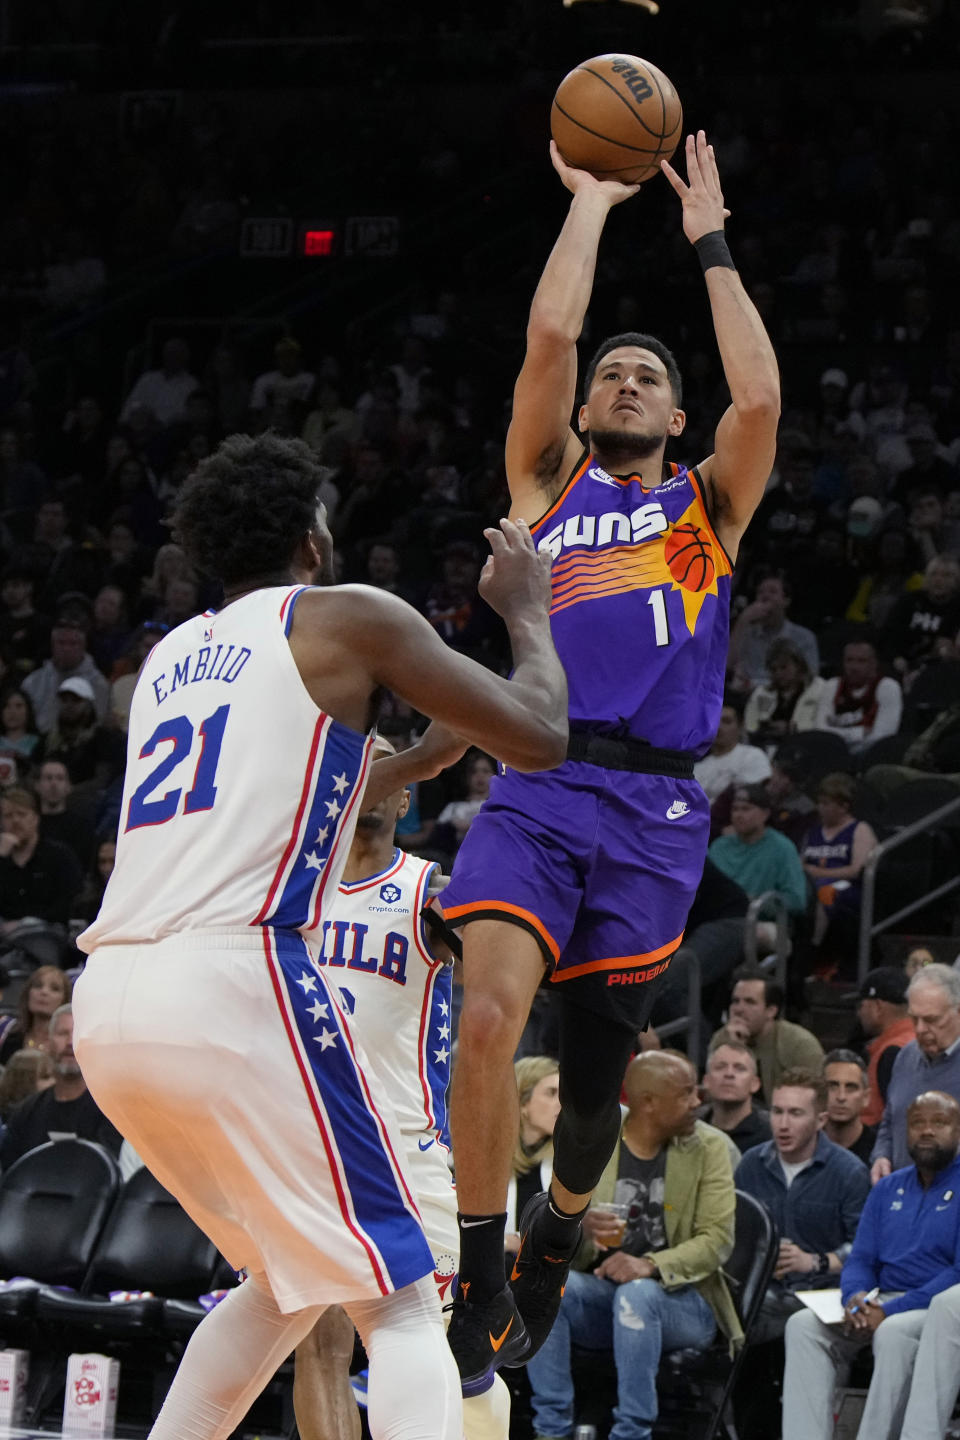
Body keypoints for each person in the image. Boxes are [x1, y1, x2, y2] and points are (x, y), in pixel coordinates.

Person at [71, 430, 568, 1440]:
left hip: (111, 1002)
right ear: (312, 541)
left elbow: (262, 797)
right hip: (231, 981)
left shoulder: (169, 658)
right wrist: (526, 609)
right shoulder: (344, 616)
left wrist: (400, 771)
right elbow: (540, 733)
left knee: (281, 1285)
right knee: (399, 1296)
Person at [435, 131, 780, 1391]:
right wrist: (587, 202)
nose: (625, 382)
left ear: (674, 417)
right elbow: (544, 340)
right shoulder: (546, 483)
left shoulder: (707, 509)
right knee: (486, 1018)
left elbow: (760, 402)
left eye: (647, 377)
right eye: (614, 372)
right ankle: (482, 1274)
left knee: (593, 1093)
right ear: (586, 408)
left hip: (655, 810)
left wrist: (708, 240)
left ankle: (548, 1237)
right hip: (536, 779)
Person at [293, 736, 511, 1440]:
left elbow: (507, 966)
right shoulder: (295, 890)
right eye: (354, 759)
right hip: (311, 1148)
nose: (368, 772)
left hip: (405, 1152)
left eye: (384, 759)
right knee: (318, 1345)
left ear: (406, 789)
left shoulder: (430, 890)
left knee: (450, 1353)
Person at [525, 1053, 740, 1440]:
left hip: (684, 1302)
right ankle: (551, 1429)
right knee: (547, 1285)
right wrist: (579, 1223)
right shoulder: (595, 1135)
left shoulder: (711, 1148)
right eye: (686, 1093)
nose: (698, 1101)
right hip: (604, 1292)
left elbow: (716, 1240)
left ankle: (631, 1432)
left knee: (638, 1295)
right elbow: (557, 1215)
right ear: (648, 1102)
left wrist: (650, 1264)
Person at [782, 1091, 960, 1440]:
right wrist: (856, 1297)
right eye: (917, 1123)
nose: (926, 1131)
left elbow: (957, 1274)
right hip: (881, 1299)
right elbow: (861, 1257)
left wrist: (891, 1310)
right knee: (802, 1325)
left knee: (893, 1333)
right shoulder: (888, 1187)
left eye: (939, 1123)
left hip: (931, 1307)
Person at [734, 1067, 869, 1343]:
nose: (783, 1124)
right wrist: (761, 1258)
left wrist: (812, 1261)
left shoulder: (849, 1172)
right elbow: (734, 1236)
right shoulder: (750, 1164)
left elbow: (865, 1250)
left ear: (821, 1120)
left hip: (822, 1295)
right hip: (762, 1290)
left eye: (795, 1114)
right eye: (777, 1112)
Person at [0, 1004, 121, 1168]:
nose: (70, 1042)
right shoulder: (27, 1112)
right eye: (63, 1033)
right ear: (49, 1043)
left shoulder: (112, 1112)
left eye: (77, 1034)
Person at [871, 963, 960, 1178]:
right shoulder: (905, 1056)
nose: (919, 1029)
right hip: (905, 1196)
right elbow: (890, 1119)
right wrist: (882, 1156)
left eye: (931, 1020)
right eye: (914, 1019)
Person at [709, 966, 824, 1104]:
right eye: (735, 1001)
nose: (739, 1009)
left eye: (749, 1002)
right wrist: (735, 1049)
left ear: (771, 1011)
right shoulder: (722, 1039)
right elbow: (713, 1097)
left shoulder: (800, 1044)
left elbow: (812, 1101)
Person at [800, 771, 877, 974]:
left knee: (825, 892)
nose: (820, 808)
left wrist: (817, 871)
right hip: (813, 883)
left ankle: (812, 951)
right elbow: (800, 864)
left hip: (849, 888)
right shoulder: (813, 832)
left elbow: (856, 870)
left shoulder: (859, 829)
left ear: (843, 806)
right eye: (820, 802)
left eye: (827, 804)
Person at [706, 782, 808, 920]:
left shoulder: (782, 848)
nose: (739, 815)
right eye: (735, 809)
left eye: (746, 809)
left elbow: (796, 900)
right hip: (717, 919)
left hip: (758, 923)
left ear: (765, 814)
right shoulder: (719, 846)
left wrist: (755, 902)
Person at [0, 787, 83, 929]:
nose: (15, 821)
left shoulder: (59, 855)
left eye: (22, 814)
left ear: (35, 818)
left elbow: (69, 903)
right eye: (8, 815)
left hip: (49, 933)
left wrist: (25, 924)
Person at [728, 574, 820, 689]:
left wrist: (757, 685)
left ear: (786, 600)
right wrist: (742, 621)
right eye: (760, 592)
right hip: (744, 698)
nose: (765, 596)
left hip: (784, 695)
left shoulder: (803, 637)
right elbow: (727, 666)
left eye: (773, 591)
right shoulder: (745, 632)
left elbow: (811, 677)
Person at [507, 1057, 560, 1255]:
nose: (561, 1103)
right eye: (551, 1093)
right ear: (522, 1102)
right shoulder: (484, 1157)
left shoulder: (563, 1160)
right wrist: (502, 1243)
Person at [814, 638, 903, 752]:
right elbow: (819, 730)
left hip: (869, 757)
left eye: (861, 661)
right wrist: (859, 733)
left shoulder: (887, 687)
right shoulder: (833, 685)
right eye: (849, 660)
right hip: (833, 753)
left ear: (874, 664)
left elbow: (882, 738)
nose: (854, 667)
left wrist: (836, 735)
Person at [742, 637, 825, 750]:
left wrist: (789, 728)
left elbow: (822, 725)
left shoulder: (819, 687)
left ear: (799, 665)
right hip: (766, 745)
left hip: (807, 746)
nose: (778, 673)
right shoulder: (762, 692)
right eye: (773, 669)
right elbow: (749, 726)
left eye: (784, 667)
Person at [857, 966, 913, 1127]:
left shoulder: (893, 1051)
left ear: (878, 1007)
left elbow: (896, 1118)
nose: (859, 1013)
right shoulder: (913, 1040)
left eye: (862, 1005)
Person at [699, 1040, 772, 1155]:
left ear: (755, 1084)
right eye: (720, 1067)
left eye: (740, 1068)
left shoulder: (772, 1132)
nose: (729, 1074)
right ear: (706, 1081)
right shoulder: (691, 1128)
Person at [692, 701, 772, 803]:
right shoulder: (696, 769)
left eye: (726, 721)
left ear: (740, 726)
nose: (718, 727)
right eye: (714, 721)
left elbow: (756, 797)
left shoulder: (752, 756)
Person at [0, 963, 72, 1064]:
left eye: (55, 989)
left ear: (64, 1000)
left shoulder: (70, 1044)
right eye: (38, 986)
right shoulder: (5, 1032)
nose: (44, 992)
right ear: (28, 993)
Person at [823, 1049, 877, 1163]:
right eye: (832, 1086)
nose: (841, 1097)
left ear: (866, 1097)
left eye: (851, 1087)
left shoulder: (879, 1152)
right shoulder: (805, 1147)